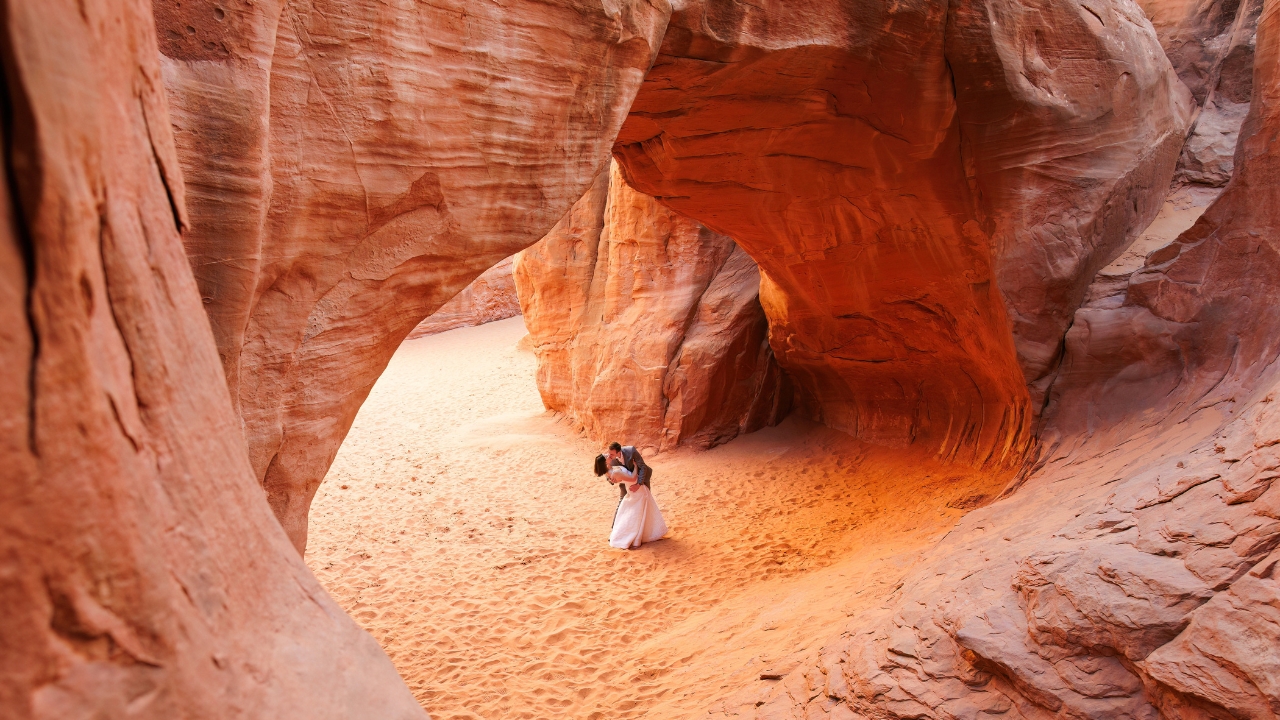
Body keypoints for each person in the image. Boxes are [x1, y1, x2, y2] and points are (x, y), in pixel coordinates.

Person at [599, 458, 667, 549]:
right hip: (635, 488)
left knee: (635, 512)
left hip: (632, 490)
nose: (609, 457)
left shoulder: (612, 470)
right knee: (636, 513)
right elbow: (632, 478)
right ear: (605, 463)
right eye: (607, 458)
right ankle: (634, 537)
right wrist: (635, 467)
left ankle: (638, 535)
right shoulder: (614, 472)